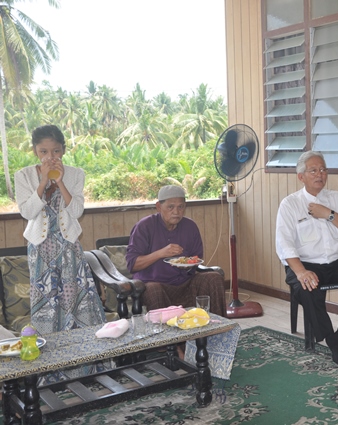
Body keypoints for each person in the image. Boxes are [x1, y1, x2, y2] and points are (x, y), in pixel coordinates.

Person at [15, 124, 106, 382]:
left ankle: (81, 371)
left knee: (73, 303)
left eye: (55, 151)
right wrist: (43, 181)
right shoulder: (24, 175)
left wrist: (60, 181)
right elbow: (27, 212)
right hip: (40, 250)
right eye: (43, 151)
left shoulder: (76, 174)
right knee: (46, 306)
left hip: (69, 248)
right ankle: (48, 375)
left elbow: (76, 211)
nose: (50, 156)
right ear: (35, 151)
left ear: (63, 150)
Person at [276, 151, 338, 366]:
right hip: (305, 263)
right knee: (307, 289)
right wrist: (301, 271)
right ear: (301, 177)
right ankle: (331, 339)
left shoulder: (336, 199)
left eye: (323, 169)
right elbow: (284, 244)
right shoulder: (290, 204)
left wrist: (329, 214)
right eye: (313, 170)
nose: (319, 174)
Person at [126, 185, 226, 317]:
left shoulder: (190, 226)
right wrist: (161, 253)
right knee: (153, 290)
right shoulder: (145, 226)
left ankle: (217, 326)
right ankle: (164, 331)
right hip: (156, 284)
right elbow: (132, 264)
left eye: (181, 207)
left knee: (213, 278)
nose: (176, 212)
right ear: (158, 206)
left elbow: (195, 259)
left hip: (185, 282)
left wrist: (187, 265)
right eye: (170, 207)